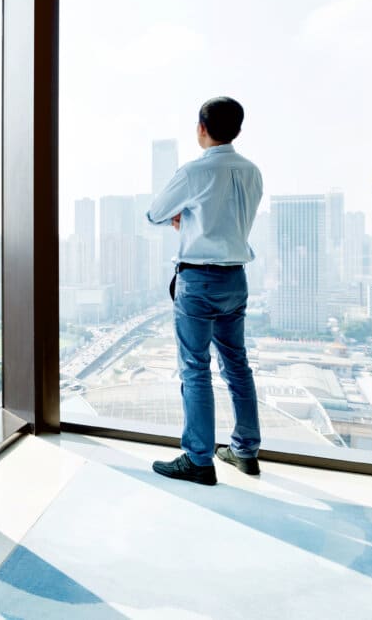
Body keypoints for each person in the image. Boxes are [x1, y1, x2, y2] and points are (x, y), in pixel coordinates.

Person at [145, 97, 263, 486]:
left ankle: (199, 459)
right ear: (238, 131)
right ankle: (245, 452)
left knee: (195, 369)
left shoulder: (195, 172)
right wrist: (194, 218)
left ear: (201, 128)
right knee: (237, 365)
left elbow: (155, 213)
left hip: (198, 281)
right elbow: (230, 219)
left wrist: (184, 217)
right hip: (235, 279)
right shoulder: (252, 172)